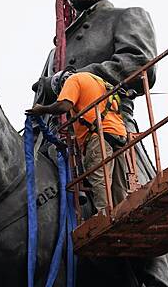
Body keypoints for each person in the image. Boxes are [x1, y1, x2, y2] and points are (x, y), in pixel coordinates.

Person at [32, 0, 168, 287]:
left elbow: (139, 65)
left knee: (134, 200)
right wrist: (52, 83)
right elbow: (41, 91)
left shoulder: (126, 16)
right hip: (57, 142)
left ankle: (154, 271)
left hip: (109, 128)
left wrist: (78, 80)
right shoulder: (57, 49)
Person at [27, 70, 128, 213]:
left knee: (100, 179)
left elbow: (63, 105)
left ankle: (105, 216)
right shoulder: (98, 81)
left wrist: (42, 109)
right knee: (118, 183)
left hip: (98, 136)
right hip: (118, 134)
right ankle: (123, 212)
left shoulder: (73, 80)